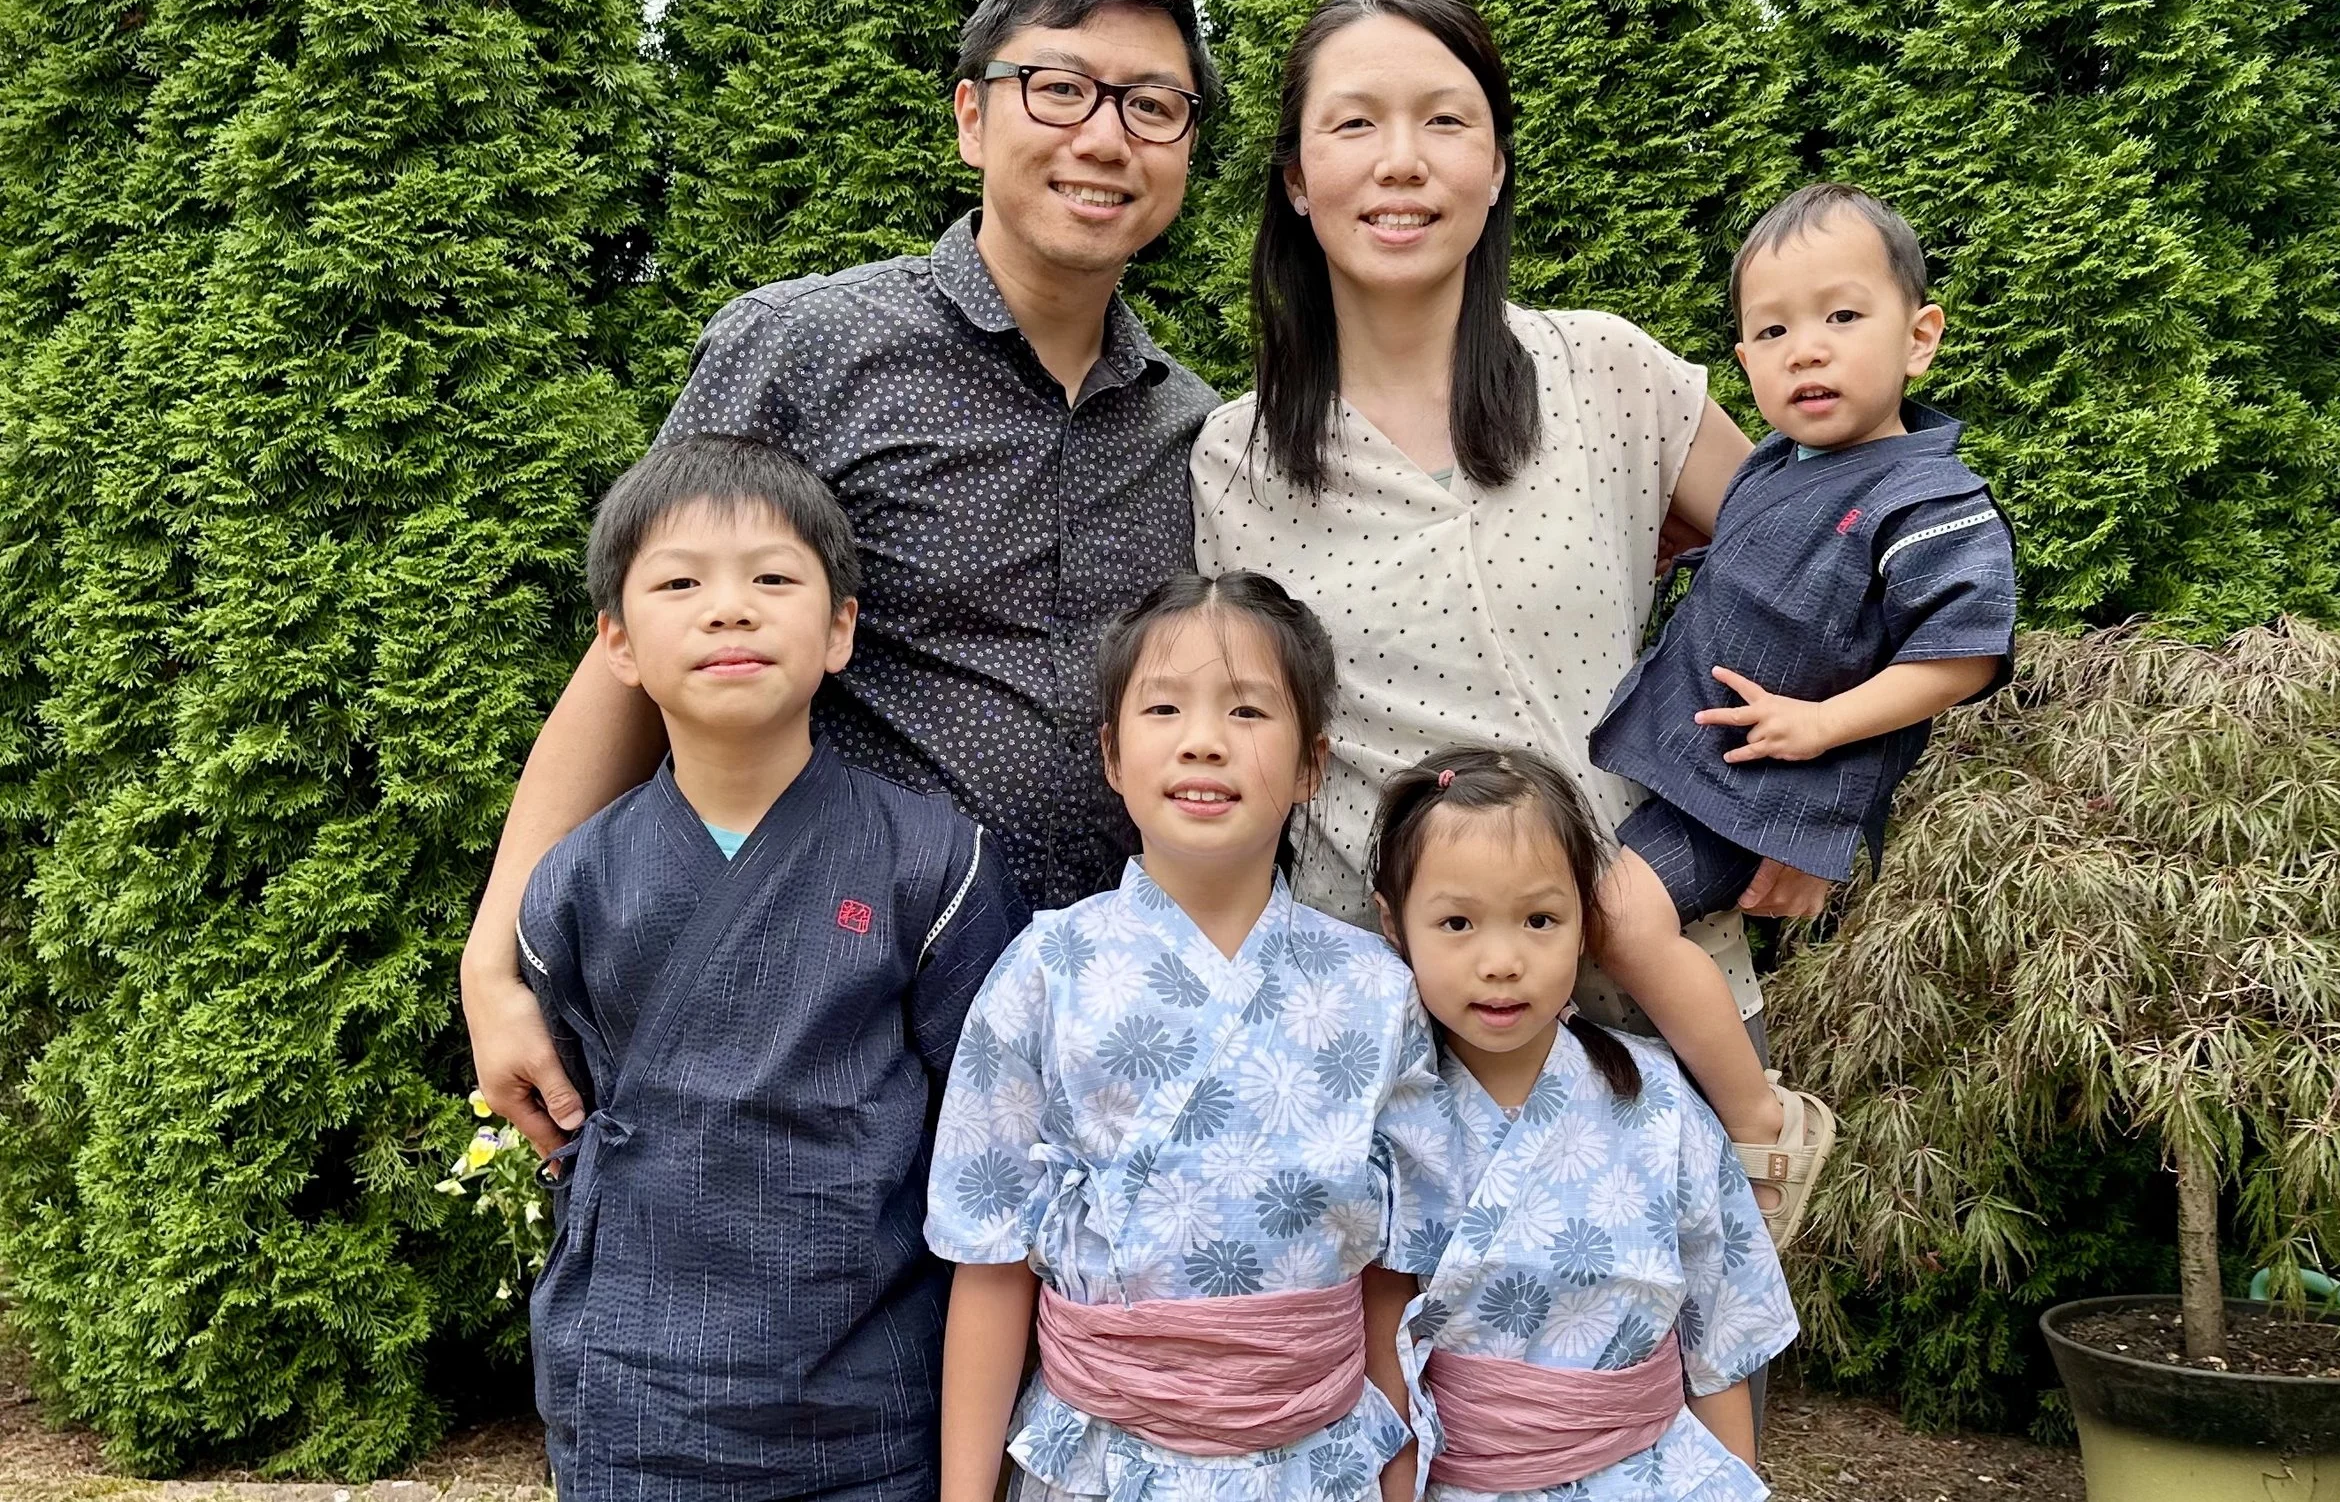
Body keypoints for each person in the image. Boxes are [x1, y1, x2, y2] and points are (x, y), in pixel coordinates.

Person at [466, 0, 1221, 1159]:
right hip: (825, 1024)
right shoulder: (805, 348)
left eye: (1152, 105)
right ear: (973, 116)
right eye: (1059, 88)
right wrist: (497, 955)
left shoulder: (1196, 426)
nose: (1103, 136)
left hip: (1101, 1044)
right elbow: (631, 656)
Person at [1189, 0, 1828, 1239]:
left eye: (1445, 119)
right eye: (1354, 124)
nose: (1401, 163)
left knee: (1683, 1408)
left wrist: (1804, 798)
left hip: (1644, 999)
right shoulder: (1231, 460)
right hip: (1383, 1039)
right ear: (1297, 180)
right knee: (1409, 1424)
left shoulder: (1609, 376)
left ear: (1493, 164)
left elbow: (1822, 568)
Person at [519, 435, 1028, 1501]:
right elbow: (575, 1118)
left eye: (772, 578)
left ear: (840, 628)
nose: (729, 608)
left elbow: (986, 1142)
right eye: (679, 582)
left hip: (871, 1410)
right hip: (634, 1401)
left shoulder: (932, 862)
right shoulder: (574, 883)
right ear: (616, 642)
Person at [925, 572, 1460, 1502]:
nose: (1204, 742)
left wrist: (1401, 1479)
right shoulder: (1047, 970)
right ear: (1112, 754)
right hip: (1096, 1460)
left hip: (1314, 1463)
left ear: (1310, 765)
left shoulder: (1377, 990)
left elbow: (1393, 1279)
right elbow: (990, 1260)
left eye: (1249, 711)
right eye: (1163, 707)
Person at [1371, 746, 1795, 1502]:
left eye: (1539, 919)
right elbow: (1370, 1353)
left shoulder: (1657, 1098)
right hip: (1456, 1479)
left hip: (1652, 1476)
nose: (1502, 961)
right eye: (1457, 922)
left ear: (1586, 919)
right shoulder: (1385, 1115)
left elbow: (1721, 1333)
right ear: (1394, 925)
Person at [1591, 182, 2016, 931]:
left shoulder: (1929, 501)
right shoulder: (1774, 461)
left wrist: (1824, 725)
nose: (1807, 349)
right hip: (1693, 759)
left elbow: (1964, 656)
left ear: (1919, 338)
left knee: (1618, 924)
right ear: (1745, 358)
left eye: (1843, 317)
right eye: (1774, 331)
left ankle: (1742, 1060)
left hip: (1765, 791)